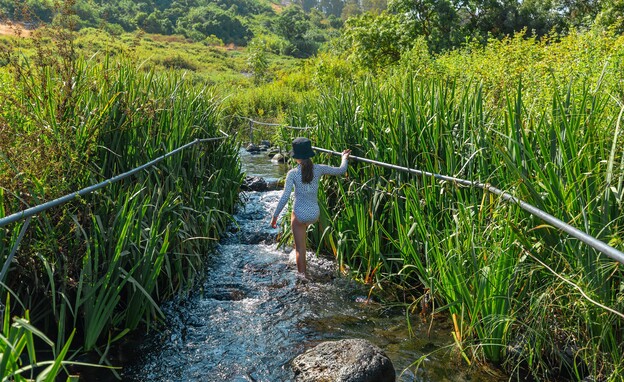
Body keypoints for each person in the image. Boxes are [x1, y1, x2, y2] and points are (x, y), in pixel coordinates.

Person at [271, 137, 351, 275]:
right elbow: (341, 170)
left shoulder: (292, 174)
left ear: (296, 157)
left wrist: (275, 216)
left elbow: (285, 196)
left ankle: (302, 278)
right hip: (314, 214)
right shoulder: (319, 169)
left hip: (300, 215)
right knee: (303, 226)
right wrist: (344, 157)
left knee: (299, 249)